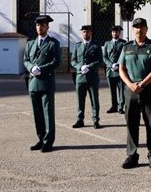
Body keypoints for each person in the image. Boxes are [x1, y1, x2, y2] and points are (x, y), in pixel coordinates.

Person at [118, 18, 151, 169]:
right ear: (133, 30)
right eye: (136, 27)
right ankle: (132, 155)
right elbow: (121, 69)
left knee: (150, 123)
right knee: (131, 123)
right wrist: (130, 84)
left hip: (148, 89)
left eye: (142, 27)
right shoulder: (126, 47)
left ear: (146, 29)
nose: (139, 30)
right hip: (130, 91)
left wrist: (142, 84)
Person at [23, 15, 61, 153]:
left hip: (46, 82)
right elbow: (26, 59)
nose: (40, 27)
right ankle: (40, 138)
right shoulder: (30, 43)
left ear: (47, 27)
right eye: (38, 25)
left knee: (48, 113)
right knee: (37, 113)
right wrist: (30, 68)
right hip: (33, 83)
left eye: (43, 25)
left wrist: (41, 69)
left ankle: (48, 141)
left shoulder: (53, 43)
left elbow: (56, 62)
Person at [70, 25, 103, 129]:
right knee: (80, 100)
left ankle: (96, 120)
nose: (85, 34)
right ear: (82, 33)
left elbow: (100, 61)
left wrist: (89, 66)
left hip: (92, 76)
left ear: (91, 33)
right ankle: (80, 120)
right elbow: (73, 60)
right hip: (80, 77)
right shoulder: (77, 45)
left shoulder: (96, 45)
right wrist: (80, 67)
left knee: (94, 100)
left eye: (87, 32)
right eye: (84, 32)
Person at [103, 25, 127, 114]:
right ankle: (114, 106)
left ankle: (121, 107)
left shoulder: (124, 43)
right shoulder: (107, 43)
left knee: (121, 90)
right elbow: (104, 56)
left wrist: (118, 64)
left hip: (120, 70)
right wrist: (110, 65)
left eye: (116, 32)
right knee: (112, 90)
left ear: (119, 33)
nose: (114, 33)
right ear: (111, 33)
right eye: (113, 32)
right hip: (110, 71)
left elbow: (125, 55)